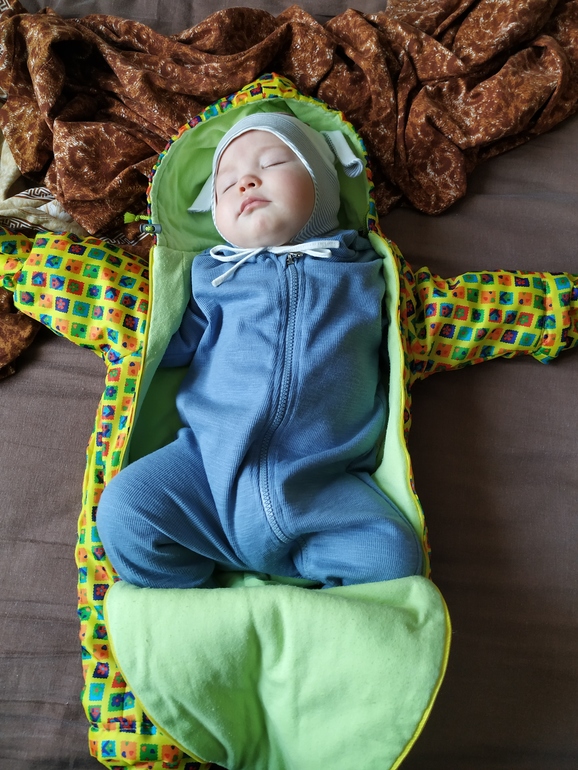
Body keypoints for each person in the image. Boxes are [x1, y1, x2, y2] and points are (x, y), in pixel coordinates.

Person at [96, 112, 424, 589]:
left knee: (394, 555)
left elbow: (441, 319)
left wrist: (542, 312)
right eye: (225, 184)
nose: (245, 182)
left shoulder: (364, 271)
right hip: (205, 471)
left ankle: (310, 608)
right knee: (125, 509)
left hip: (322, 484)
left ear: (323, 184)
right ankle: (201, 605)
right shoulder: (212, 276)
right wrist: (118, 322)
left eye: (272, 163)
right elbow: (155, 343)